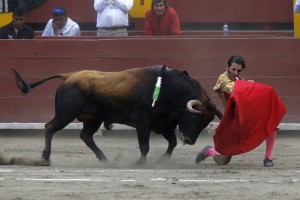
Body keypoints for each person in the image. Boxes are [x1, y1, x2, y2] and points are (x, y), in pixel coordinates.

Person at [195, 56, 286, 167]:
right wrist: (249, 85)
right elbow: (232, 89)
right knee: (223, 160)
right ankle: (209, 151)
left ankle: (268, 157)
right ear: (227, 66)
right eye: (233, 69)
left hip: (243, 114)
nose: (235, 72)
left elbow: (246, 94)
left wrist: (249, 86)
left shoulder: (239, 80)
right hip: (231, 119)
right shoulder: (222, 79)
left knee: (272, 122)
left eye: (238, 70)